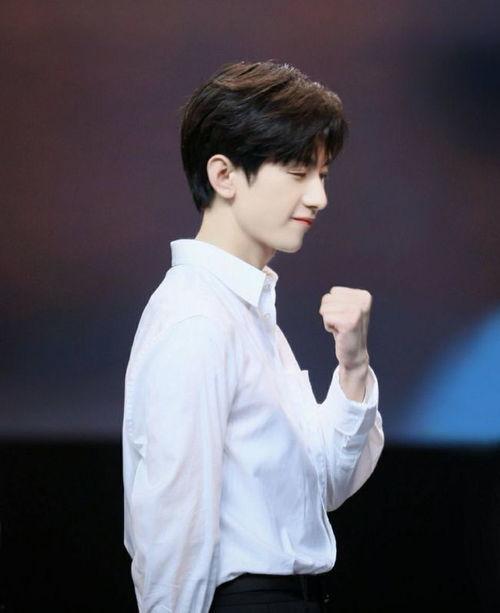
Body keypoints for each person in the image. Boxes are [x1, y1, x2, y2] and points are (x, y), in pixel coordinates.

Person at [122, 59, 384, 613]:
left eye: (323, 175)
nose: (318, 197)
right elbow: (173, 528)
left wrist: (354, 367)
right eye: (298, 172)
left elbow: (323, 487)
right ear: (224, 176)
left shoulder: (247, 312)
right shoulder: (197, 317)